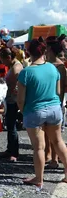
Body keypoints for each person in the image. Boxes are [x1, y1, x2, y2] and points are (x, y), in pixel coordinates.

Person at [17, 38, 67, 187]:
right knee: (58, 142)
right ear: (44, 51)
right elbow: (58, 91)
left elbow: (21, 99)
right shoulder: (53, 68)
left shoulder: (26, 72)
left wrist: (23, 111)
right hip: (54, 109)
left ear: (28, 52)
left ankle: (39, 179)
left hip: (34, 111)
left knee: (39, 147)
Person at [45, 35, 67, 168]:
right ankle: (50, 157)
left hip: (55, 102)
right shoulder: (48, 64)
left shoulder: (60, 67)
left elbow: (61, 89)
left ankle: (55, 159)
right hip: (49, 102)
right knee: (48, 133)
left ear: (50, 49)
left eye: (46, 47)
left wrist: (58, 104)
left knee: (55, 135)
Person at [0, 48, 23, 162]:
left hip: (13, 101)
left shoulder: (16, 68)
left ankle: (14, 152)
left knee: (12, 126)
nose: (2, 63)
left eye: (3, 60)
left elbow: (13, 87)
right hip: (10, 100)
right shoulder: (13, 66)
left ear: (8, 57)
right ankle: (10, 149)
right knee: (9, 126)